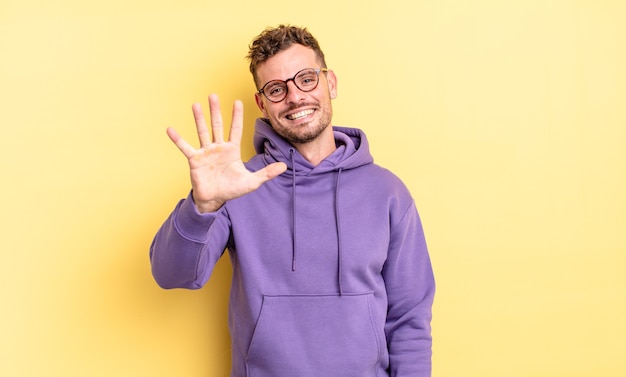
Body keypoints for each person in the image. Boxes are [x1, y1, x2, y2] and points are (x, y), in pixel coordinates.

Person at [150, 24, 435, 377]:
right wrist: (202, 206)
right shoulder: (240, 186)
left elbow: (410, 319)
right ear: (262, 104)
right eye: (276, 89)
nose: (295, 97)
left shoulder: (388, 192)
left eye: (306, 79)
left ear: (329, 82)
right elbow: (171, 275)